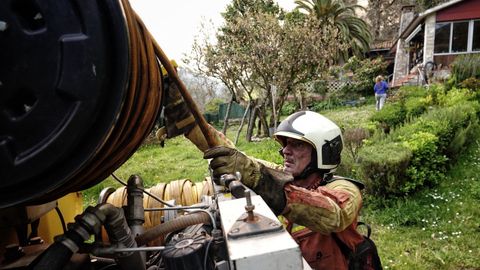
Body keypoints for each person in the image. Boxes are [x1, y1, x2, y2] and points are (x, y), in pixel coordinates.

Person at [204, 111, 366, 270]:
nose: (286, 151)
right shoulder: (286, 178)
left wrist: (262, 180)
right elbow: (239, 160)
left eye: (297, 144)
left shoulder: (346, 189)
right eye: (286, 144)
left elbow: (336, 214)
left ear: (322, 152)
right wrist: (190, 125)